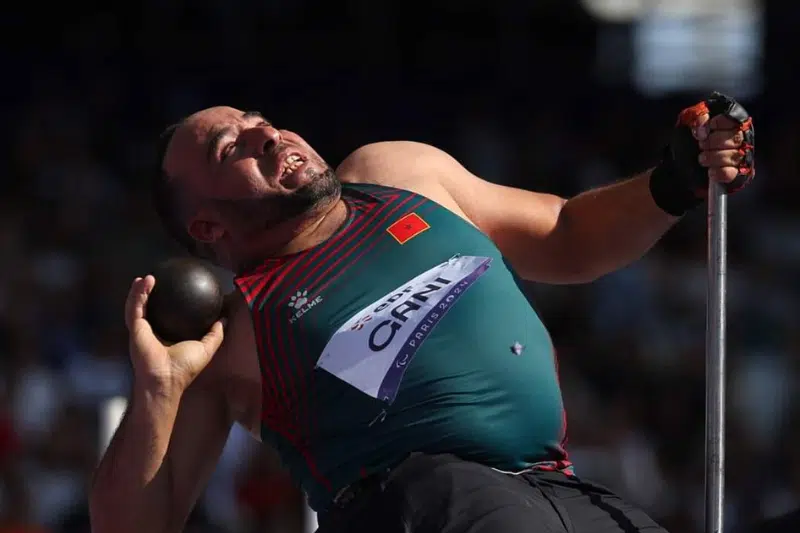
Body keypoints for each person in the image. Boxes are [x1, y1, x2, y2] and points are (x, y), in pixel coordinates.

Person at [89, 93, 755, 533]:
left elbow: (568, 234)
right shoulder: (230, 334)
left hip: (558, 487)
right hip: (425, 505)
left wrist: (675, 179)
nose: (265, 133)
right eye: (230, 147)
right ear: (207, 226)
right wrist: (158, 391)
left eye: (257, 119)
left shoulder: (399, 173)